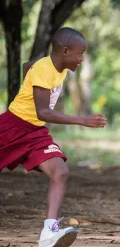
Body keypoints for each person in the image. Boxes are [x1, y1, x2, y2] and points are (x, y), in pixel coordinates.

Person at [0, 27, 107, 247]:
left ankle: (49, 231)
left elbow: (26, 66)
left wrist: (26, 83)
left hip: (36, 133)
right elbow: (44, 113)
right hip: (11, 127)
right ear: (65, 51)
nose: (82, 58)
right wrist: (83, 120)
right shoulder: (44, 69)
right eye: (80, 53)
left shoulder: (60, 66)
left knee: (60, 171)